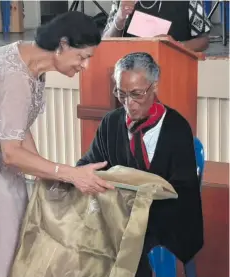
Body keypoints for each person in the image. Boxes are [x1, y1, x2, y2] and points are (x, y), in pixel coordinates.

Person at [0, 11, 115, 277]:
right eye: (82, 57)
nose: (85, 66)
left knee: (21, 216)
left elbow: (16, 128)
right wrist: (66, 173)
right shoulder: (14, 74)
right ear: (62, 45)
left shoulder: (32, 65)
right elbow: (11, 153)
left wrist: (51, 174)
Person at [77, 52, 203, 276]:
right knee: (79, 234)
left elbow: (183, 192)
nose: (129, 104)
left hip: (165, 219)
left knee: (129, 245)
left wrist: (137, 212)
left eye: (136, 94)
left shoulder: (177, 128)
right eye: (121, 94)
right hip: (117, 216)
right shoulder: (111, 123)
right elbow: (89, 163)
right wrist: (75, 175)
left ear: (154, 86)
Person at [103, 0, 211, 52]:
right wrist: (119, 19)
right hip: (131, 72)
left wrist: (174, 46)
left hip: (174, 69)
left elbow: (203, 41)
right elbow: (105, 44)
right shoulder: (122, 1)